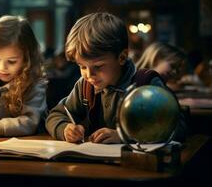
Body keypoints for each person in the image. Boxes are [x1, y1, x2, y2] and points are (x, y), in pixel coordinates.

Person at [45, 12, 186, 144]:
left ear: (122, 57)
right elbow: (55, 115)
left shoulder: (146, 84)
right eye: (82, 66)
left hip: (139, 166)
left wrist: (124, 135)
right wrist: (64, 129)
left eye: (98, 66)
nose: (89, 75)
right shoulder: (85, 86)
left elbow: (176, 128)